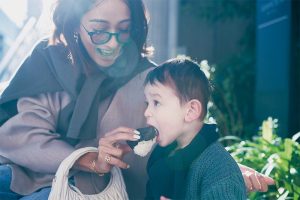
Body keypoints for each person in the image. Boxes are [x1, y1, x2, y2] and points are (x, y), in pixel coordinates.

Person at [0, 0, 273, 199]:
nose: (112, 43)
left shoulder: (150, 79)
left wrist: (221, 166)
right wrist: (87, 158)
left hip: (91, 190)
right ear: (75, 25)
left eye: (123, 30)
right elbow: (24, 136)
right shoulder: (49, 59)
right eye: (99, 30)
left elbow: (181, 133)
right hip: (26, 173)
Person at [144, 57, 247, 199]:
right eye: (147, 103)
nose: (146, 112)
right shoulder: (162, 159)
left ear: (191, 110)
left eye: (156, 102)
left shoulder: (218, 169)